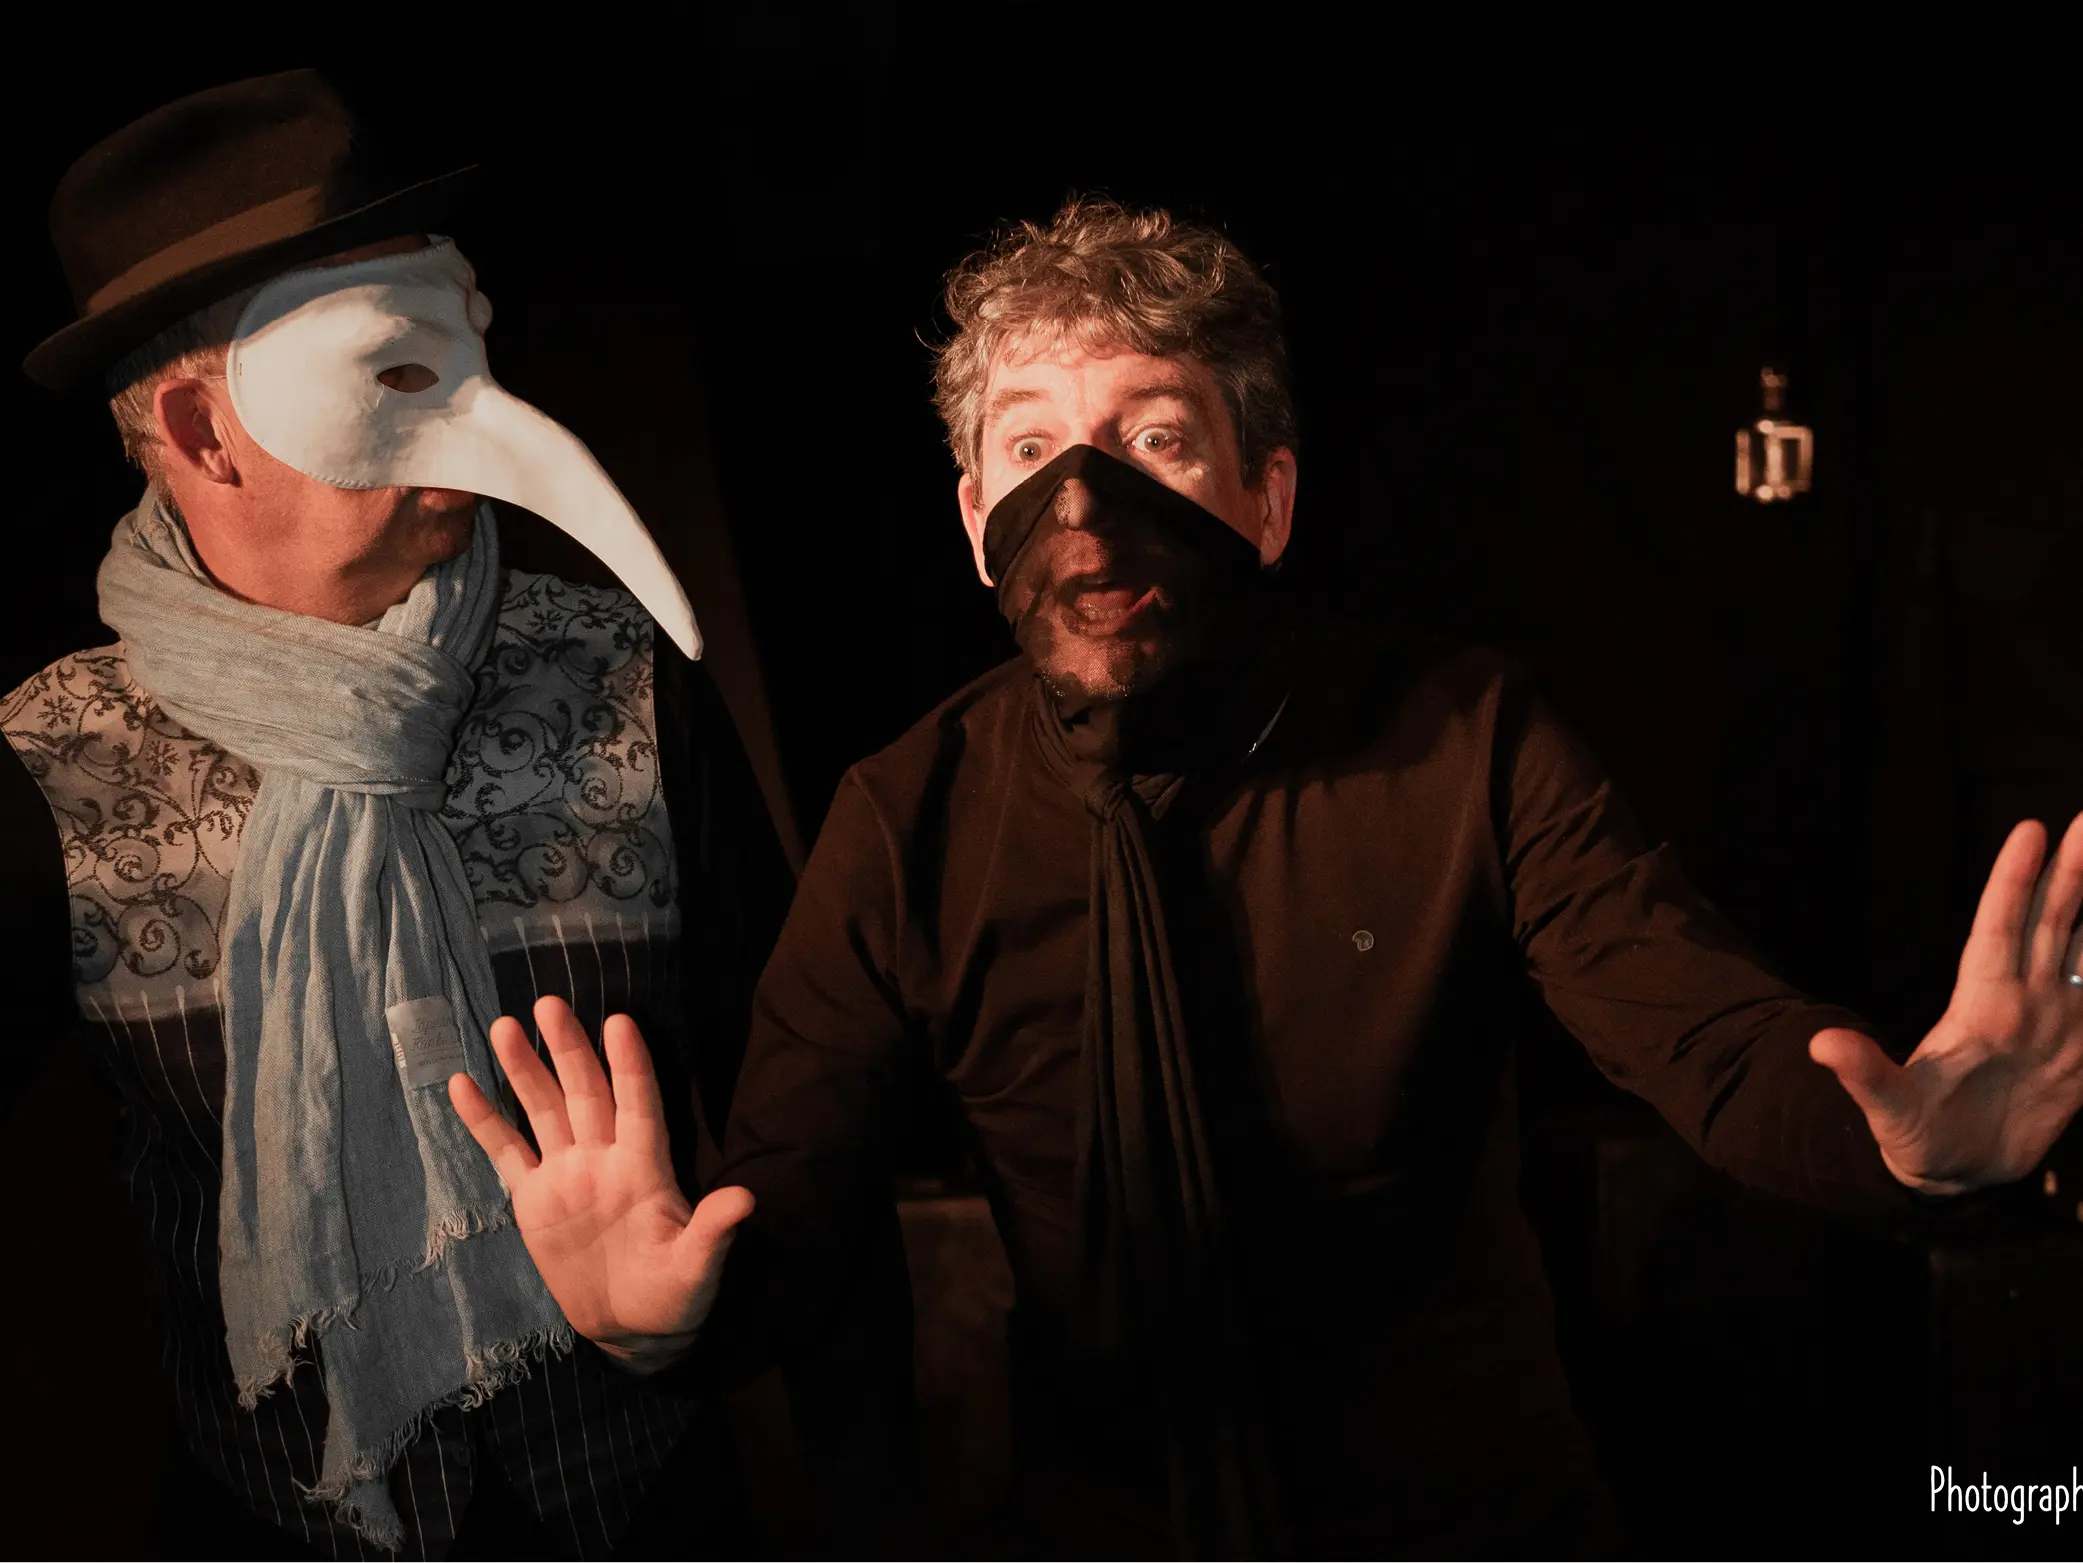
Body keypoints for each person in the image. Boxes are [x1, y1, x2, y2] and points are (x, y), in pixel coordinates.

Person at [454, 200, 2083, 1555]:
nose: (1081, 502)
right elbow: (795, 1197)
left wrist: (1909, 1146)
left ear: (1269, 495)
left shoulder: (1462, 740)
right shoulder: (906, 818)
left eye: (1154, 437)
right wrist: (669, 1315)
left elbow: (1704, 1034)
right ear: (970, 518)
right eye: (1030, 445)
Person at [1, 71, 788, 1558]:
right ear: (203, 429)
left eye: (471, 341)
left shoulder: (623, 680)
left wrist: (685, 1325)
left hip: (637, 1508)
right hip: (268, 1519)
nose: (480, 412)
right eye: (400, 367)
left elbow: (795, 1095)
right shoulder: (54, 758)